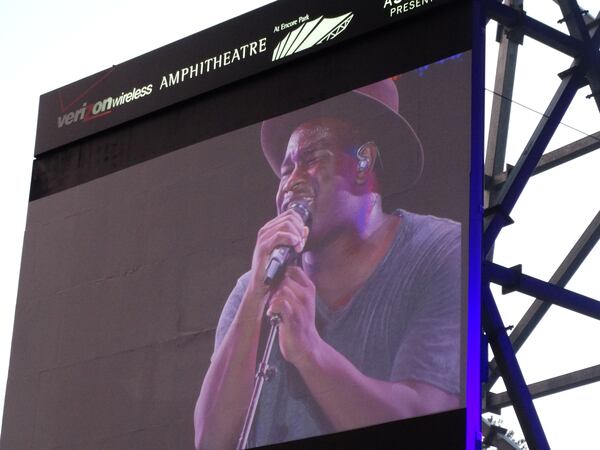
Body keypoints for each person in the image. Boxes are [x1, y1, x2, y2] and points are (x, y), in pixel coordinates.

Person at [194, 78, 462, 450]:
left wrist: (310, 352)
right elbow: (211, 441)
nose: (291, 182)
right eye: (286, 169)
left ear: (364, 162)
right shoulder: (253, 286)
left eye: (312, 159)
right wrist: (257, 294)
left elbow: (427, 419)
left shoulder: (438, 251)